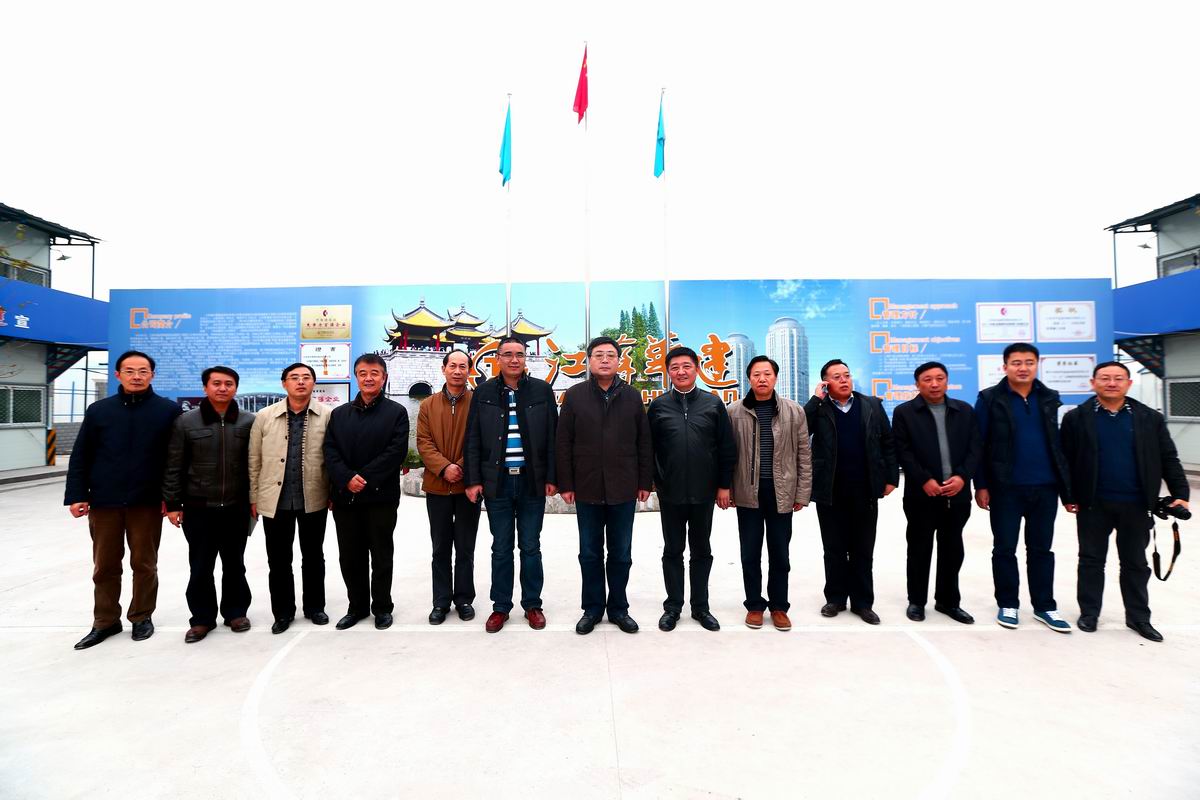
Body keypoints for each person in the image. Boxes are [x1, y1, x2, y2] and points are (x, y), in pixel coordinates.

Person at [1061, 361, 1190, 642]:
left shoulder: (1149, 418)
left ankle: (1138, 617)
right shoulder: (1076, 418)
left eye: (1118, 378)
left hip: (1137, 504)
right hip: (1093, 504)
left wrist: (1181, 493)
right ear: (1093, 383)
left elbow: (1168, 457)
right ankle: (1089, 613)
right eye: (1105, 378)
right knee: (1091, 561)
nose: (1111, 383)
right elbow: (1066, 461)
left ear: (1128, 384)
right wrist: (1068, 496)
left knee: (1135, 563)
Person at [64, 350, 181, 649]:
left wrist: (172, 499)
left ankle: (141, 616)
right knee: (104, 566)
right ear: (118, 374)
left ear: (152, 375)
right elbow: (81, 455)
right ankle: (105, 621)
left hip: (147, 502)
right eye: (130, 371)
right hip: (105, 501)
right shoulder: (99, 410)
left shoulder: (168, 411)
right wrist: (77, 495)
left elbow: (175, 459)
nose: (136, 376)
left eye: (143, 371)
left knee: (144, 564)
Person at [556, 336, 654, 635]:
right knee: (589, 553)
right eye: (598, 355)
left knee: (621, 553)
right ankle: (592, 609)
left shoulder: (632, 396)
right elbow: (563, 442)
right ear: (589, 361)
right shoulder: (575, 396)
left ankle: (619, 609)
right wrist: (566, 483)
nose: (605, 360)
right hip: (587, 487)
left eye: (611, 355)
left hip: (623, 487)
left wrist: (644, 481)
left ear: (619, 361)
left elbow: (643, 442)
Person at [975, 343, 1073, 633]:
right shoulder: (990, 398)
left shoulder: (1049, 397)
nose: (1023, 368)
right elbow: (979, 444)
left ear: (1037, 364)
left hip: (1045, 487)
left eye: (1029, 362)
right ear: (1005, 366)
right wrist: (981, 484)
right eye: (1016, 362)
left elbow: (1058, 446)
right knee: (1004, 548)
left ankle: (1045, 606)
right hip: (1005, 488)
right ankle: (1008, 604)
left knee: (1042, 549)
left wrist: (1067, 491)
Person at [464, 336, 558, 633]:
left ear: (525, 358)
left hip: (532, 481)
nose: (514, 359)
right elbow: (473, 438)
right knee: (501, 547)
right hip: (498, 482)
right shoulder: (484, 392)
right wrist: (473, 480)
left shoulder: (541, 390)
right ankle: (501, 607)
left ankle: (532, 604)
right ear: (498, 358)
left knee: (530, 546)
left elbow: (553, 437)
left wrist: (552, 477)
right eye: (507, 354)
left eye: (519, 354)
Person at [162, 366, 255, 643]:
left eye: (228, 383)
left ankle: (236, 612)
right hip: (198, 507)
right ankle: (201, 619)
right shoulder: (186, 422)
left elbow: (255, 465)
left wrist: (255, 500)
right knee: (201, 566)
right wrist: (173, 503)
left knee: (235, 564)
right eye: (216, 383)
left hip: (236, 506)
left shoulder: (249, 421)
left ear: (236, 388)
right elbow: (173, 465)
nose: (222, 388)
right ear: (205, 388)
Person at [647, 347, 737, 632]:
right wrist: (655, 481)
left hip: (704, 492)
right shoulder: (659, 406)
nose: (681, 371)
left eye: (686, 366)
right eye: (675, 367)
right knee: (672, 551)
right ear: (668, 372)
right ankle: (673, 607)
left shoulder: (713, 404)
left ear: (697, 369)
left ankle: (701, 607)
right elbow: (649, 448)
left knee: (701, 551)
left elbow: (726, 447)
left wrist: (723, 485)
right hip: (671, 493)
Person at [805, 359, 898, 625]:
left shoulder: (871, 405)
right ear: (826, 383)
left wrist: (891, 477)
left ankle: (862, 603)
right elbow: (801, 429)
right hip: (830, 490)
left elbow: (888, 442)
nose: (844, 380)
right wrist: (816, 399)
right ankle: (835, 598)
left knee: (863, 550)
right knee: (833, 549)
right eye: (836, 377)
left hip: (864, 490)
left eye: (846, 375)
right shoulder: (820, 409)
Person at [324, 354, 409, 630]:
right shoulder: (339, 414)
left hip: (381, 497)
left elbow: (395, 452)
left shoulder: (396, 412)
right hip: (346, 497)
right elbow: (330, 451)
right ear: (356, 377)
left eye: (374, 373)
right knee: (350, 556)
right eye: (363, 373)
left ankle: (382, 607)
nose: (368, 378)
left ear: (384, 377)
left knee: (381, 555)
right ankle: (356, 607)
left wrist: (365, 478)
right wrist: (346, 478)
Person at [892, 361, 981, 625]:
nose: (934, 384)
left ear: (947, 381)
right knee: (919, 549)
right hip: (921, 496)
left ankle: (948, 601)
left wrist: (962, 477)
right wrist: (923, 480)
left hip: (957, 494)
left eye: (939, 378)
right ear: (917, 384)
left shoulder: (964, 411)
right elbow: (903, 450)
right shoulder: (905, 412)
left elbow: (975, 448)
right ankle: (916, 601)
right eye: (927, 379)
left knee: (952, 549)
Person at [729, 355, 811, 631]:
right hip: (747, 493)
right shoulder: (734, 411)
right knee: (749, 554)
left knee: (780, 555)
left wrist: (802, 493)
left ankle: (778, 607)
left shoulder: (794, 411)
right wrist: (727, 488)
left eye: (767, 374)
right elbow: (727, 454)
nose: (762, 379)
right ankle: (754, 605)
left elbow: (804, 454)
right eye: (756, 374)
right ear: (749, 378)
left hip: (782, 493)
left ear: (775, 378)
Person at [249, 362, 332, 634]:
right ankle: (283, 612)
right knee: (278, 560)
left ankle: (315, 607)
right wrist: (254, 496)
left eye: (306, 377)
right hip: (275, 499)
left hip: (313, 496)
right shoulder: (264, 416)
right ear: (284, 383)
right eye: (294, 377)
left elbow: (333, 457)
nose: (300, 382)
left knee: (314, 556)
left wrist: (333, 492)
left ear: (313, 383)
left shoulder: (327, 416)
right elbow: (254, 460)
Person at [416, 350, 481, 625]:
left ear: (469, 371)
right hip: (437, 487)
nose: (457, 371)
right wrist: (444, 468)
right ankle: (441, 601)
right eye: (452, 365)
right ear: (443, 369)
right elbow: (423, 442)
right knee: (440, 547)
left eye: (462, 366)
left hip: (468, 487)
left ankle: (464, 599)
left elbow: (482, 440)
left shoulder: (479, 402)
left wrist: (462, 467)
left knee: (465, 547)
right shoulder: (427, 405)